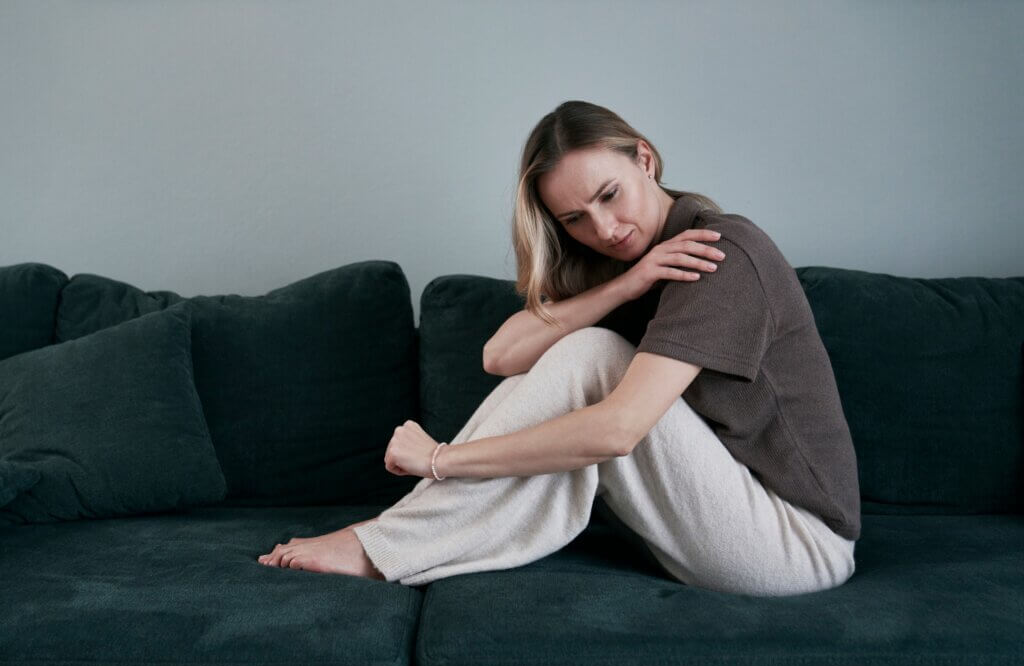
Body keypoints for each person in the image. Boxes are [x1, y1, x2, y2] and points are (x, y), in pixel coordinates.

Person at [257, 100, 861, 597]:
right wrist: (626, 282)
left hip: (796, 546)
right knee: (577, 353)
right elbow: (500, 356)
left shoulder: (718, 252)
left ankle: (384, 542)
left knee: (593, 357)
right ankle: (394, 536)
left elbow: (619, 431)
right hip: (712, 524)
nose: (603, 229)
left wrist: (441, 459)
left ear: (644, 159)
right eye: (574, 218)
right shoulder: (634, 265)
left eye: (609, 195)